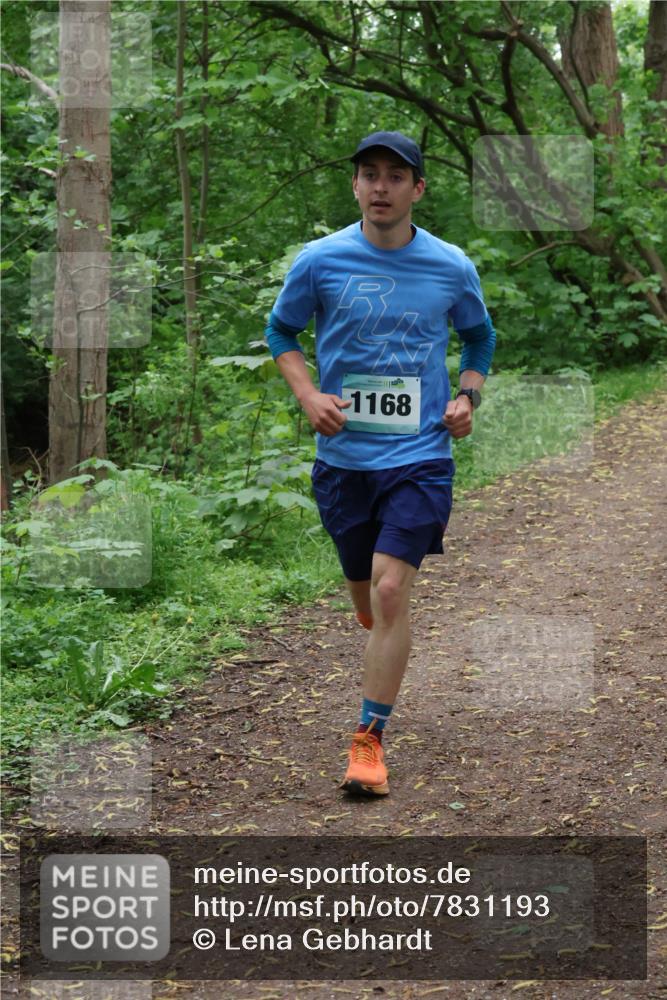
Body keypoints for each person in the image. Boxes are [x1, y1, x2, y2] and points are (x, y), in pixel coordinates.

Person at [265, 131, 496, 796]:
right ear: (355, 186)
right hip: (343, 462)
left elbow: (479, 336)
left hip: (420, 455)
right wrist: (307, 394)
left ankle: (367, 742)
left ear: (417, 189)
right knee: (367, 598)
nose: (380, 187)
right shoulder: (320, 260)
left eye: (396, 177)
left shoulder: (449, 266)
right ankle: (377, 629)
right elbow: (281, 331)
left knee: (392, 591)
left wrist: (466, 395)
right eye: (369, 175)